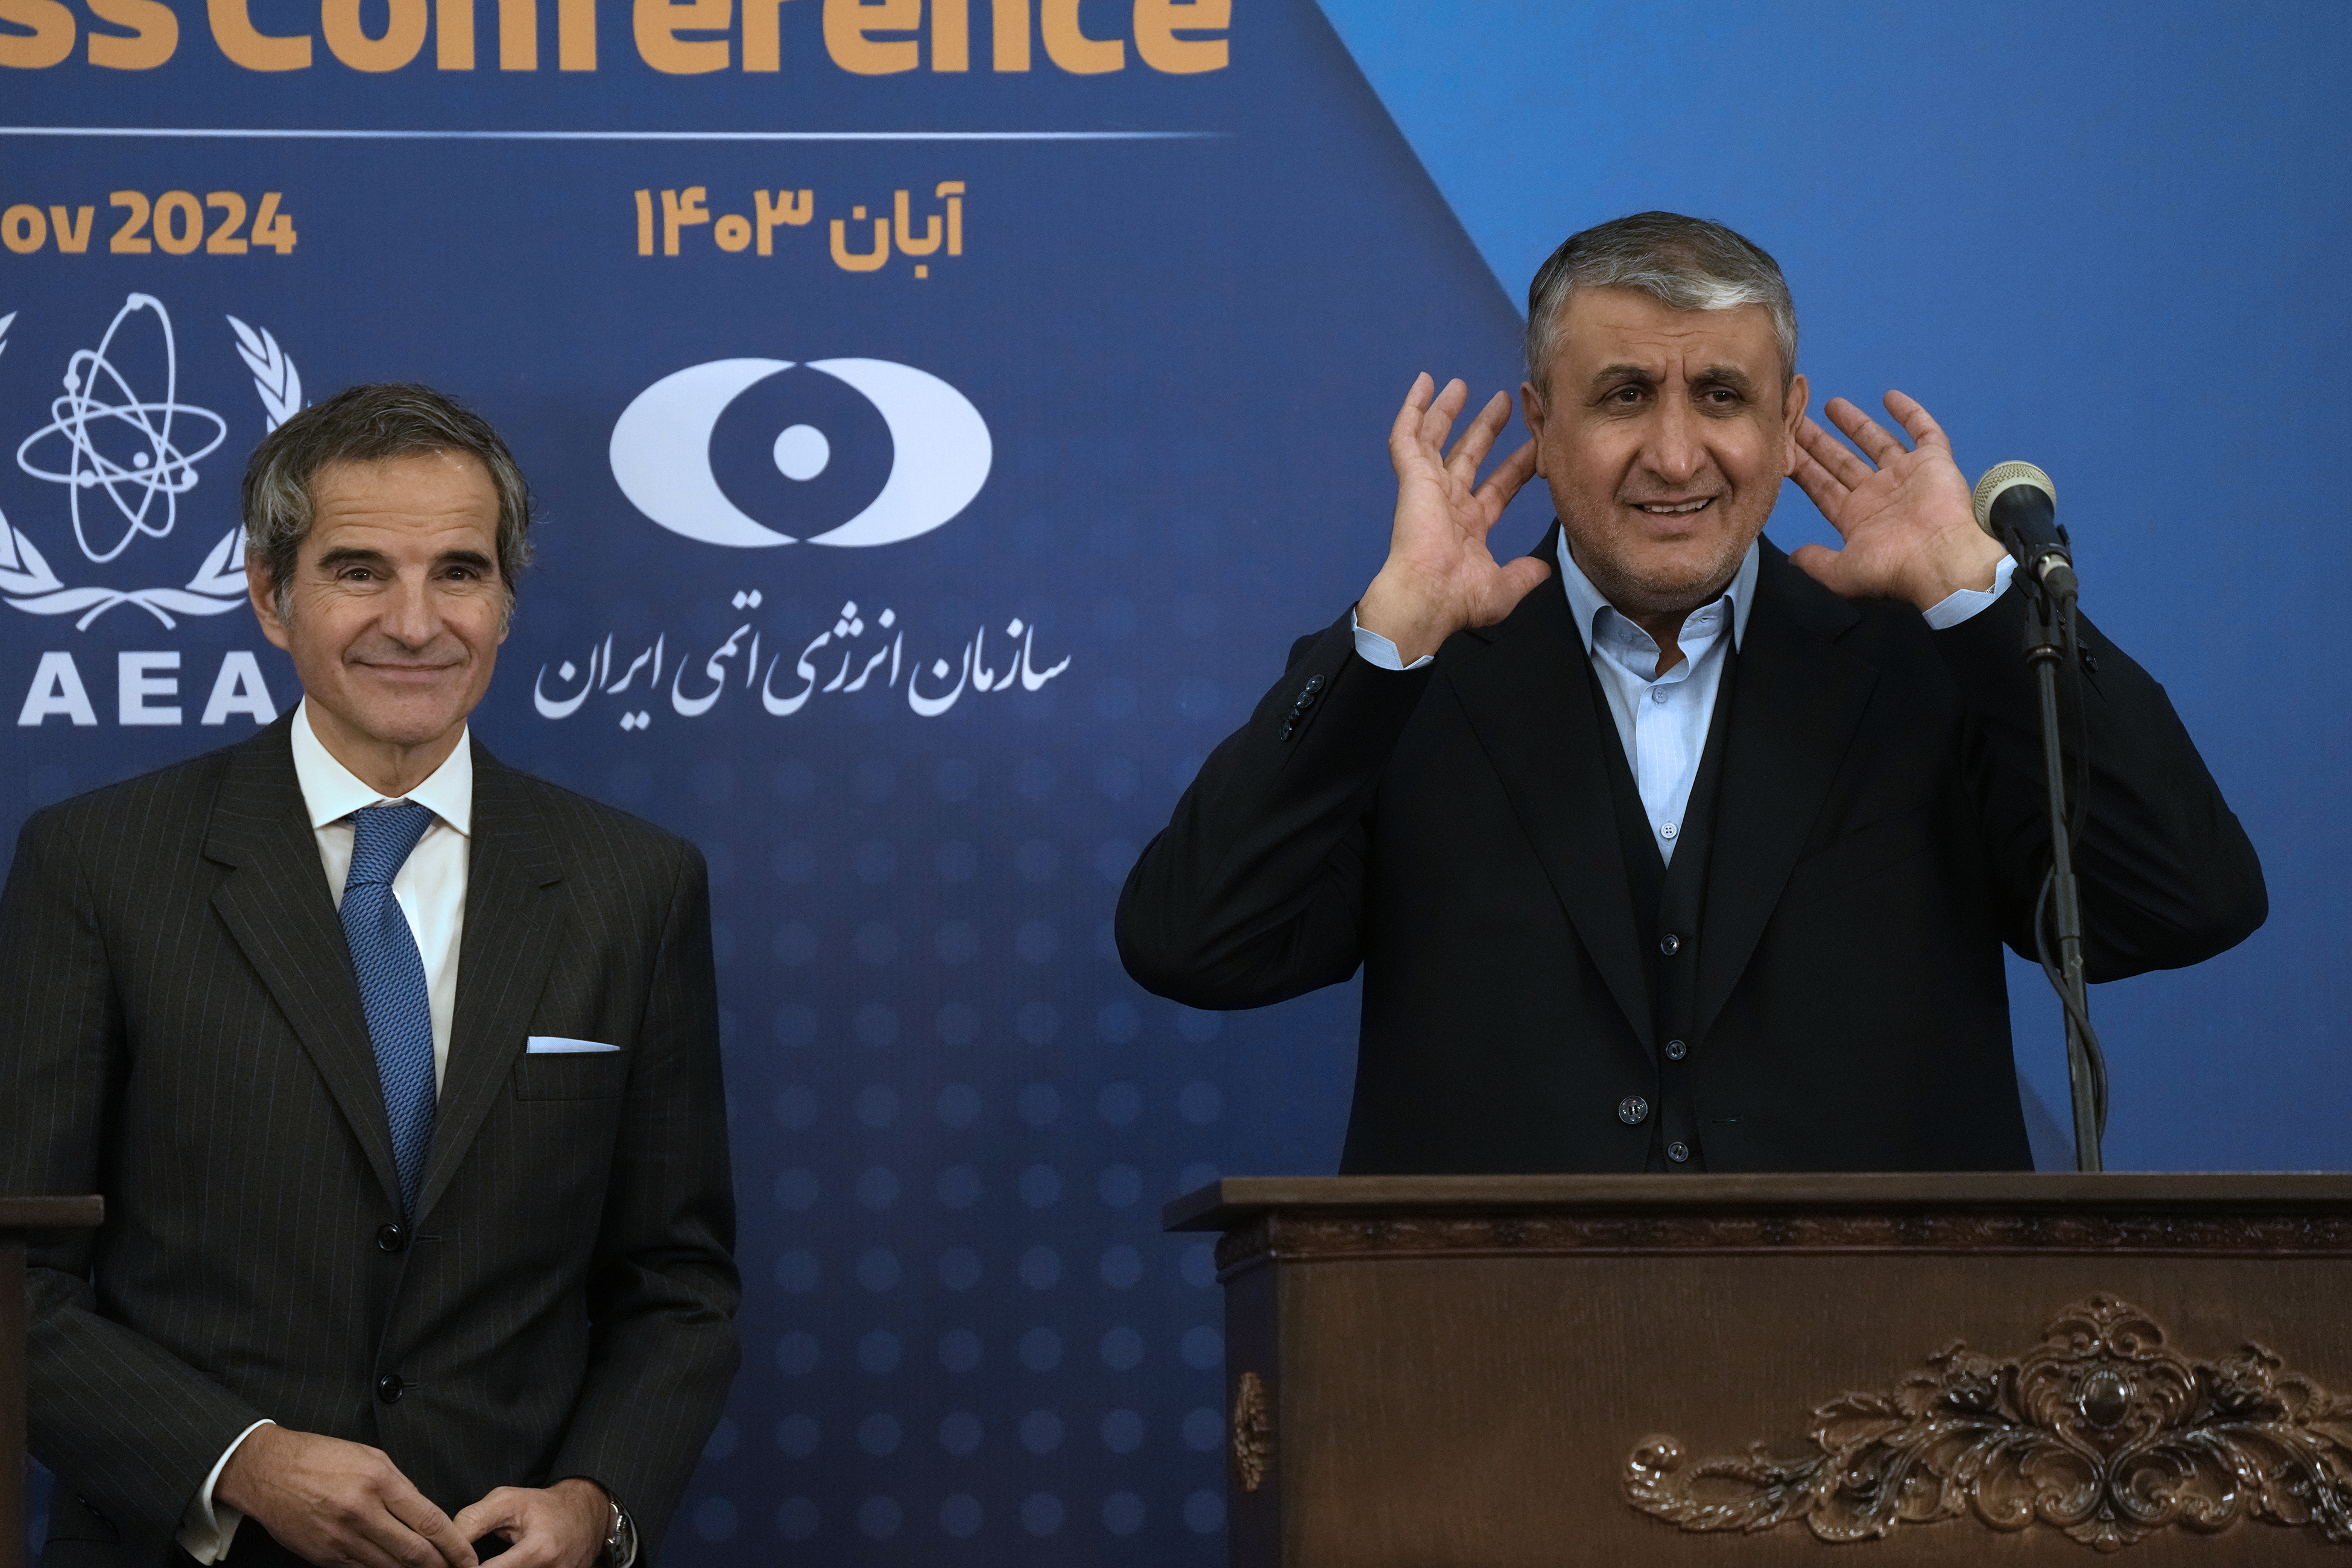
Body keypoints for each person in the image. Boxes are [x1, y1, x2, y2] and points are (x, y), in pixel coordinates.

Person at [1116, 212, 2265, 1174]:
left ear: (1784, 421)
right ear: (1541, 424)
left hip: (1896, 1397)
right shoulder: (1408, 680)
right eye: (1623, 396)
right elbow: (1196, 945)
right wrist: (1394, 627)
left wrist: (1982, 601)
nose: (1676, 455)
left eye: (1720, 395)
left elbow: (2182, 901)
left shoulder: (1932, 667)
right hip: (1493, 1384)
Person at [0, 385, 741, 1568]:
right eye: (359, 570)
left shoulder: (633, 886)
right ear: (268, 593)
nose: (416, 621)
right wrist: (241, 1458)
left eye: (459, 570)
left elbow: (676, 1279)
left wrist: (593, 1500)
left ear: (504, 601)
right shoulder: (98, 865)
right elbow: (16, 1274)